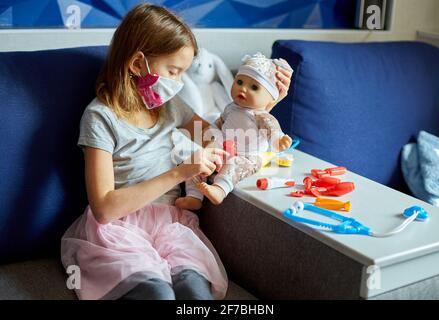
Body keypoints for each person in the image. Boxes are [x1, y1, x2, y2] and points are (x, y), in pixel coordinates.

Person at [61, 4, 292, 300]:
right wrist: (181, 172)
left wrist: (263, 107)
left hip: (170, 227)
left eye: (183, 73)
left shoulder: (171, 107)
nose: (179, 82)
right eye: (173, 71)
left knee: (196, 294)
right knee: (158, 295)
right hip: (118, 232)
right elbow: (105, 208)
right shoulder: (100, 118)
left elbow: (219, 137)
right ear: (136, 64)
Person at [176, 52, 293, 209]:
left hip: (247, 157)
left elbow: (272, 130)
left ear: (270, 97)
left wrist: (279, 141)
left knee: (234, 164)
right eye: (239, 81)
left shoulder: (261, 116)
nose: (243, 89)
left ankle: (220, 190)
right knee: (196, 161)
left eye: (254, 87)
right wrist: (212, 139)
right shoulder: (230, 108)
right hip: (222, 150)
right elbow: (220, 123)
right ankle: (193, 196)